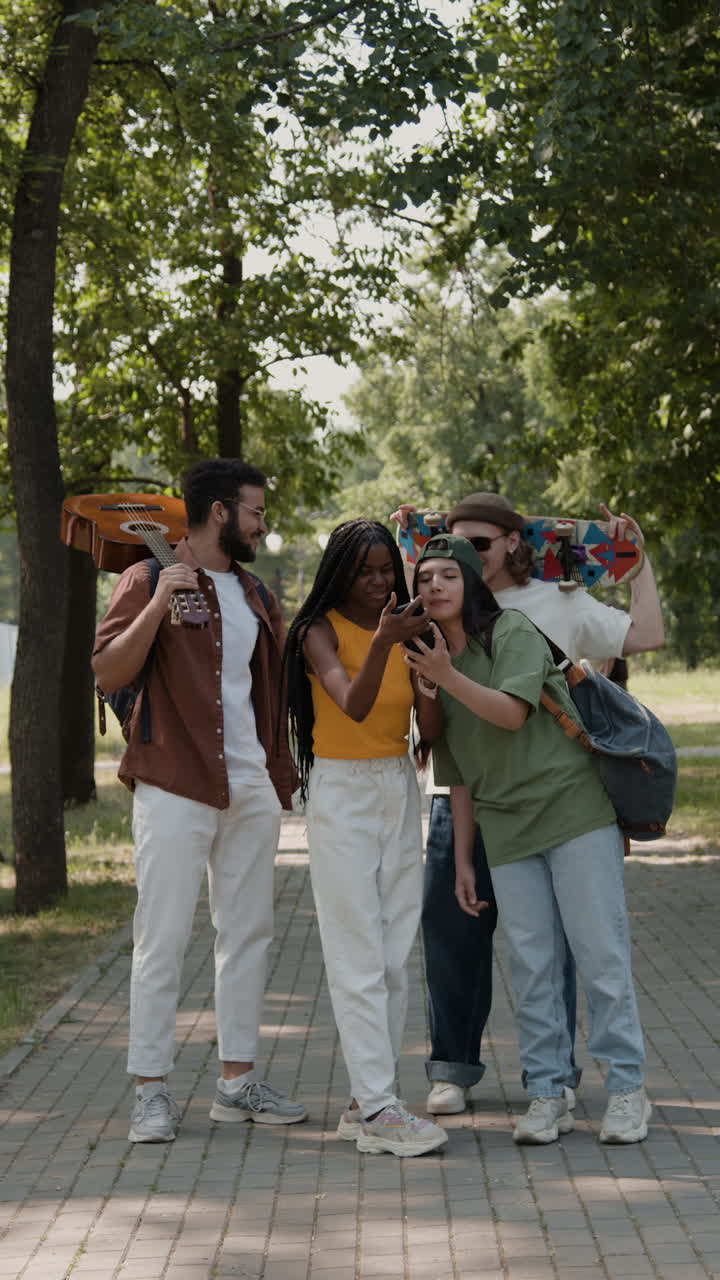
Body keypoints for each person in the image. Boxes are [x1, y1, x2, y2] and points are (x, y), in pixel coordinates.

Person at [393, 493, 664, 1117]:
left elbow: (643, 636)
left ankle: (608, 1087)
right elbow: (448, 753)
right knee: (509, 951)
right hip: (484, 802)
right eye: (439, 561)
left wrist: (638, 563)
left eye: (475, 548)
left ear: (514, 542)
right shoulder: (434, 630)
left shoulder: (546, 607)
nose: (450, 571)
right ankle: (501, 1079)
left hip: (564, 799)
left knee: (592, 950)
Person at [93, 458, 307, 1143]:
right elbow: (106, 671)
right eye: (256, 511)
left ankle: (237, 1083)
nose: (262, 523)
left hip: (249, 784)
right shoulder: (147, 576)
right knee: (162, 938)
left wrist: (280, 774)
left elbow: (268, 695)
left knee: (247, 936)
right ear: (220, 511)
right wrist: (158, 606)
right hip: (174, 780)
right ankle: (150, 1091)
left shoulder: (257, 596)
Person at [284, 519, 448, 1157]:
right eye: (366, 571)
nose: (381, 582)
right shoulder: (316, 632)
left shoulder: (406, 630)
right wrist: (384, 642)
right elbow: (351, 703)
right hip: (342, 794)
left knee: (391, 955)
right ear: (340, 573)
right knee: (355, 956)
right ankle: (381, 1110)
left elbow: (426, 730)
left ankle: (365, 1100)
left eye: (387, 569)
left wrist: (428, 676)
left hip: (397, 787)